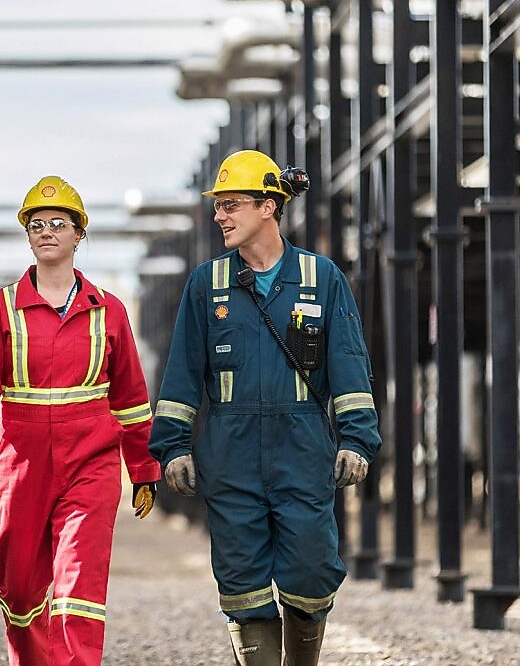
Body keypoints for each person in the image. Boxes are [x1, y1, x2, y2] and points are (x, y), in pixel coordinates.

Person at [149, 150, 380, 666]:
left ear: (269, 206)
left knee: (312, 573)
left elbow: (348, 366)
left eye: (231, 205)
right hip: (230, 452)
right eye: (219, 206)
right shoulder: (207, 285)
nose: (219, 216)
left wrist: (357, 439)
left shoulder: (322, 279)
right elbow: (182, 375)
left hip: (302, 448)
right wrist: (171, 450)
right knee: (242, 581)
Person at [0, 176, 162, 666]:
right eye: (37, 224)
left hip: (90, 461)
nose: (47, 231)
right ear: (28, 236)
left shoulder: (108, 311)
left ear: (78, 235)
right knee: (20, 587)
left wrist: (144, 469)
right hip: (19, 466)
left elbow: (131, 398)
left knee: (78, 584)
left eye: (59, 223)